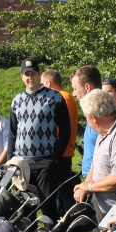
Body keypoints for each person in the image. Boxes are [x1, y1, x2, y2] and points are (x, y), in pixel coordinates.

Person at [9, 58, 71, 221]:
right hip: (21, 161)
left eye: (33, 74)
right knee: (24, 208)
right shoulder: (17, 100)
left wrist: (56, 156)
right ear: (22, 77)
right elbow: (13, 132)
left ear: (39, 74)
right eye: (26, 74)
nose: (30, 78)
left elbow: (66, 129)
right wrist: (10, 159)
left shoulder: (55, 98)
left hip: (45, 160)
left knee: (48, 205)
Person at [43, 69, 79, 214]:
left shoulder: (63, 98)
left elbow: (63, 126)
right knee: (58, 191)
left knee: (63, 192)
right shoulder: (64, 96)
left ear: (48, 83)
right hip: (62, 150)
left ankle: (67, 221)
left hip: (62, 151)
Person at [70, 65, 102, 177]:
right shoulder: (92, 112)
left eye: (75, 89)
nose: (73, 94)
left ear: (87, 87)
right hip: (92, 179)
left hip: (99, 180)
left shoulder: (103, 113)